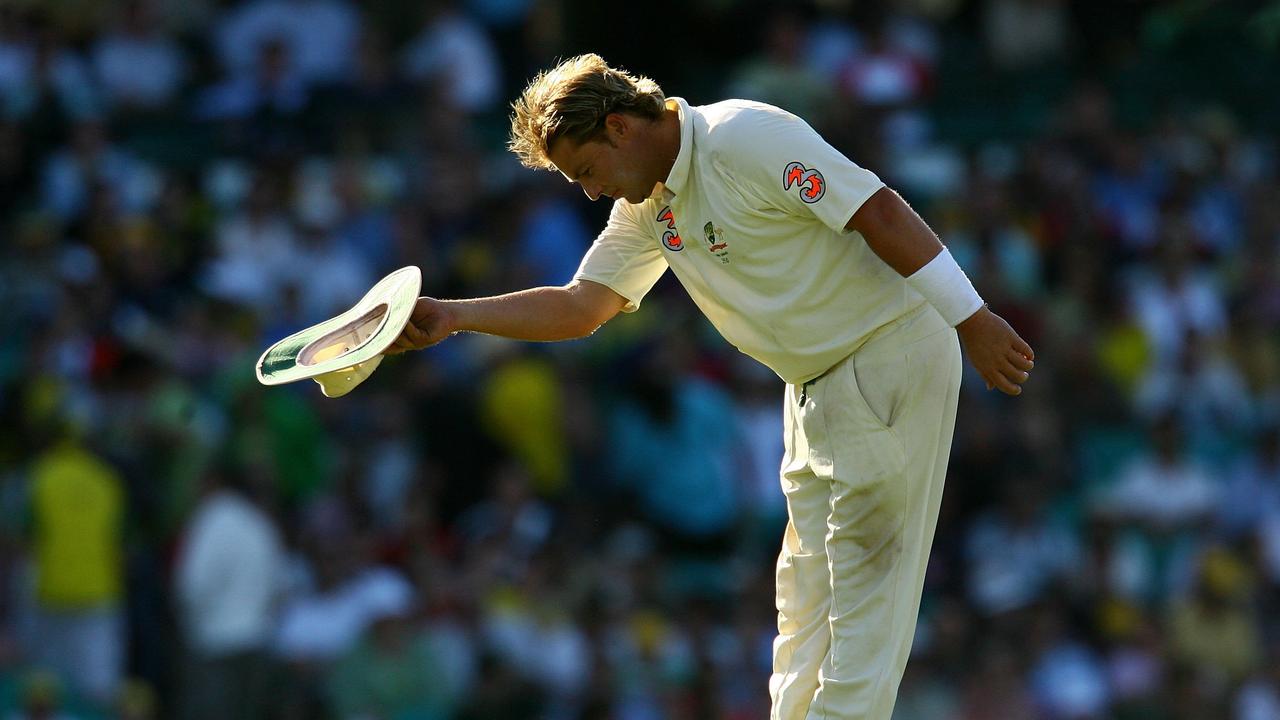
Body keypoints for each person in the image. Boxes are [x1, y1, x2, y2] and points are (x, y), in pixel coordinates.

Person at [388, 53, 1035, 720]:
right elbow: (585, 306)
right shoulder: (650, 205)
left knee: (866, 584)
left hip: (889, 351)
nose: (588, 192)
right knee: (805, 594)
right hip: (811, 388)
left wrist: (972, 317)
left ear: (618, 129)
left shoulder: (743, 138)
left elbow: (878, 209)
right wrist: (457, 316)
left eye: (585, 172)